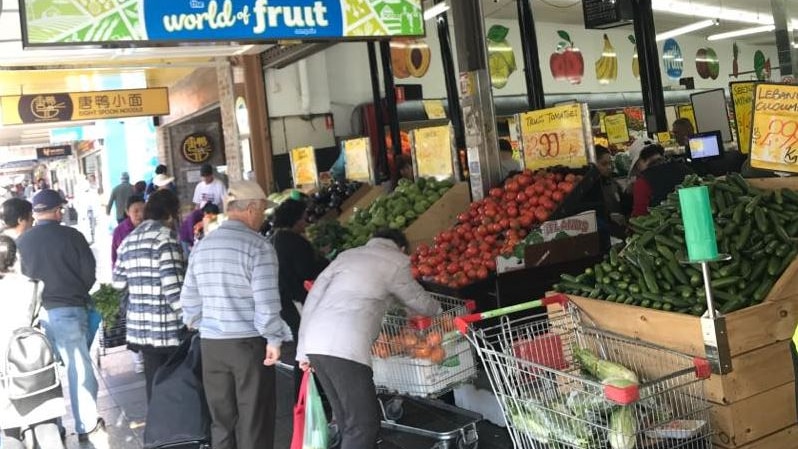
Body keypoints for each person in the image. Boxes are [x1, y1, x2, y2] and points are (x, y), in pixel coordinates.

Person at [296, 228, 441, 449]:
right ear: (401, 247)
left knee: (347, 421)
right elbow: (416, 299)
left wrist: (302, 350)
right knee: (364, 424)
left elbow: (313, 297)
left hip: (316, 341)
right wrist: (439, 311)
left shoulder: (347, 256)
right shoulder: (396, 261)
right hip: (345, 346)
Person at [181, 180, 290, 449]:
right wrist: (274, 339)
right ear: (251, 208)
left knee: (221, 421)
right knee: (254, 418)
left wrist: (202, 324)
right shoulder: (259, 247)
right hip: (247, 345)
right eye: (263, 210)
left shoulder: (202, 247)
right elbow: (266, 302)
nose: (264, 217)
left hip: (211, 346)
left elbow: (189, 299)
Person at [16, 189, 103, 442]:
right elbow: (89, 272)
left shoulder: (22, 242)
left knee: (45, 373)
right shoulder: (72, 236)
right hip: (69, 310)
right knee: (77, 369)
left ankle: (52, 428)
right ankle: (86, 424)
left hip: (37, 317)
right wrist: (77, 292)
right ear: (58, 211)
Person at [113, 190, 186, 402]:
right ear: (171, 214)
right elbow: (174, 291)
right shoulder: (166, 239)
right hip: (166, 329)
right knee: (174, 383)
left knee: (153, 381)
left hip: (140, 328)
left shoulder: (129, 240)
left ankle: (158, 430)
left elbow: (118, 283)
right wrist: (191, 319)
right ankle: (177, 431)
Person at [0, 236, 65, 449]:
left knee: (10, 432)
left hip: (4, 372)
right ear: (16, 257)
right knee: (47, 427)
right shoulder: (35, 286)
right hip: (34, 366)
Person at [271, 199, 329, 399]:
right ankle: (306, 394)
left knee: (303, 345)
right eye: (304, 218)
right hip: (296, 300)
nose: (306, 222)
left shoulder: (276, 238)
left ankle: (307, 394)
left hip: (284, 300)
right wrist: (322, 260)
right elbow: (307, 271)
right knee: (305, 347)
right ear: (296, 219)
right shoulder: (294, 241)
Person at [631, 144, 693, 217]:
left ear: (639, 162)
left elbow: (640, 215)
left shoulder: (642, 183)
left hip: (666, 227)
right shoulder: (684, 169)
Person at [111, 195, 146, 268]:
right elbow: (115, 257)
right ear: (127, 212)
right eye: (136, 211)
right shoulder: (119, 231)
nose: (141, 214)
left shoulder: (151, 227)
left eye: (143, 211)